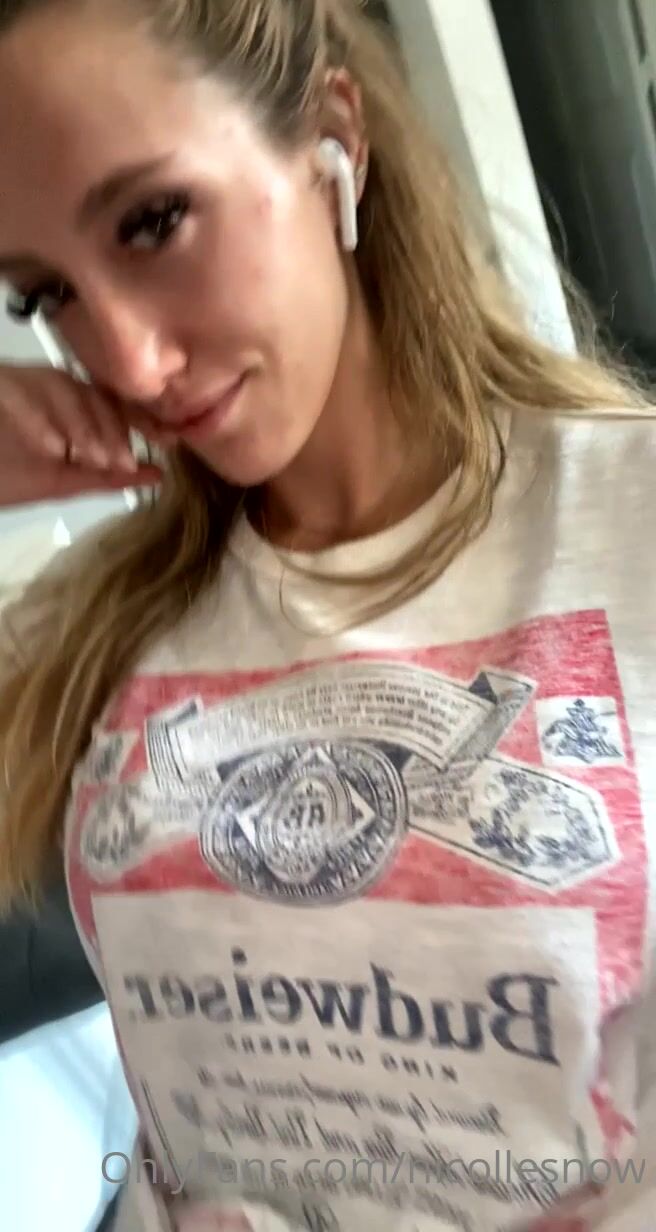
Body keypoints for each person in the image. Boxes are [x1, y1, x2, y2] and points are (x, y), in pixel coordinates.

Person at [0, 1, 654, 1229]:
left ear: (332, 137)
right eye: (49, 295)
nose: (126, 362)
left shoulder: (630, 524)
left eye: (153, 221)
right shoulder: (101, 619)